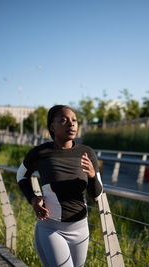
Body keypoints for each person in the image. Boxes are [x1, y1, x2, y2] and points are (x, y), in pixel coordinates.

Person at [16, 105, 103, 267]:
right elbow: (21, 176)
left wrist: (92, 176)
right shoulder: (40, 153)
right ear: (52, 126)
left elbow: (97, 195)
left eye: (74, 120)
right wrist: (33, 199)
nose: (71, 124)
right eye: (63, 120)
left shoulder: (87, 153)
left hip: (81, 228)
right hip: (52, 229)